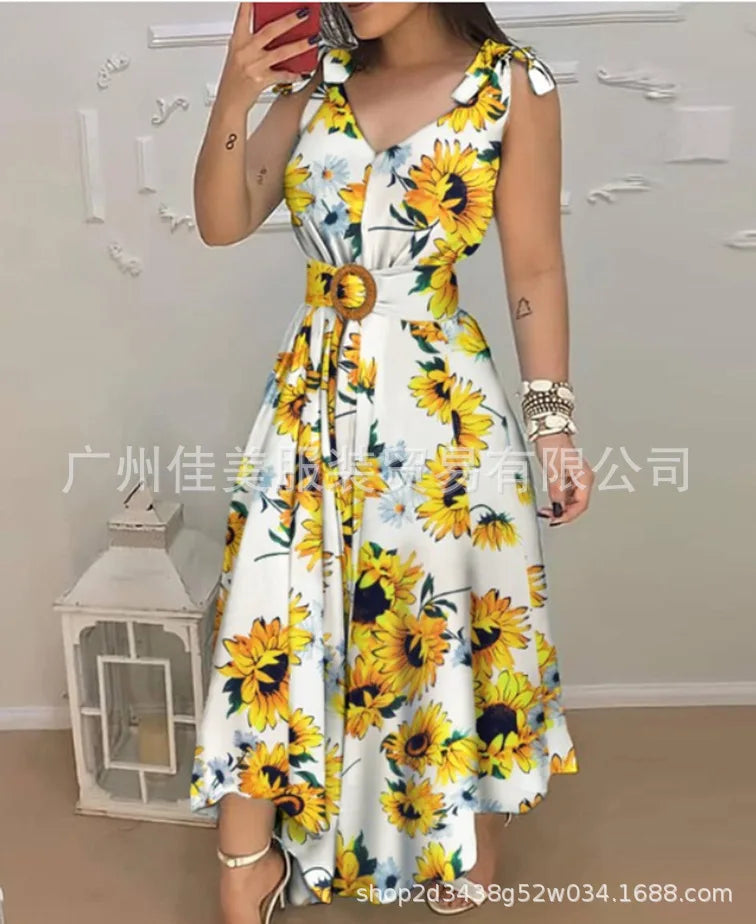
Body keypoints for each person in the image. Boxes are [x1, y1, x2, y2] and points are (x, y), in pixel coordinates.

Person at [190, 2, 594, 921]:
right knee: (274, 614)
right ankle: (247, 860)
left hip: (441, 402)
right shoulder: (312, 91)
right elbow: (221, 222)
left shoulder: (513, 85)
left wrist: (553, 425)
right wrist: (234, 94)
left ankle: (465, 828)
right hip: (312, 396)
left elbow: (534, 267)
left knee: (448, 617)